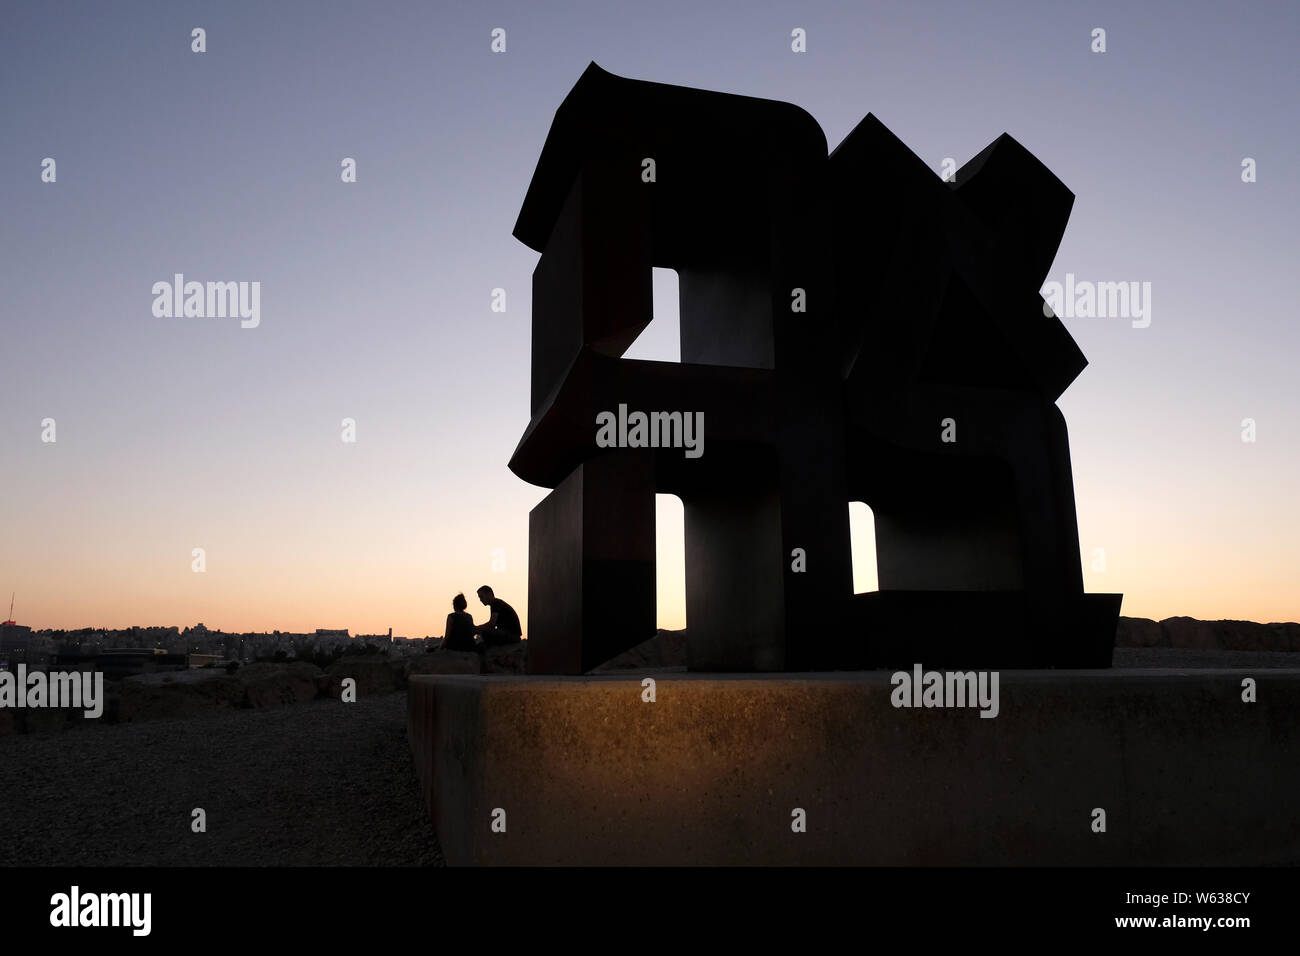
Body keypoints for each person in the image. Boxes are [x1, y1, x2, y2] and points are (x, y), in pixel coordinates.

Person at [473, 585, 523, 649]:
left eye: (481, 596)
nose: (480, 600)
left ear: (489, 594)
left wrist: (476, 629)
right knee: (485, 633)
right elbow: (492, 625)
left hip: (512, 636)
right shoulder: (495, 604)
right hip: (511, 635)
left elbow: (491, 624)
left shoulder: (496, 603)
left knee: (485, 633)